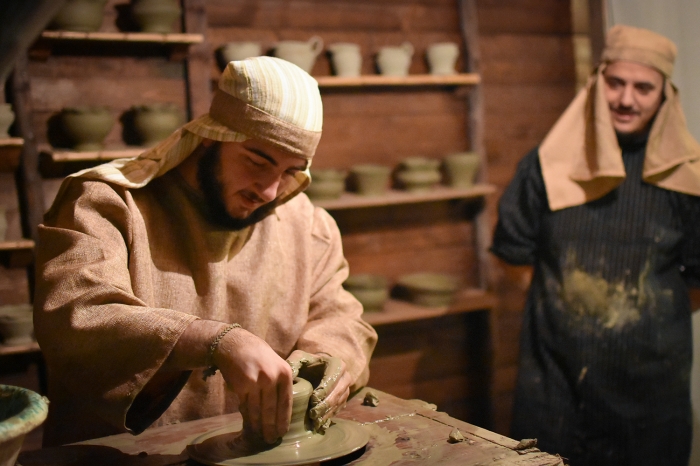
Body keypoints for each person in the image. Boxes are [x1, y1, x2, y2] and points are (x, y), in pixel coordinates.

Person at [33, 56, 378, 447]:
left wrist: (332, 356)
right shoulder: (107, 205)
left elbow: (342, 318)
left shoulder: (306, 226)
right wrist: (215, 341)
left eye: (290, 172)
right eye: (257, 160)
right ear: (212, 136)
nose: (268, 190)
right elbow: (76, 314)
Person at [491, 25, 700, 466]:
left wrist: (637, 321)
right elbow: (513, 256)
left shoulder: (687, 180)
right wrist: (570, 307)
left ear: (665, 94)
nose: (626, 99)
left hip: (651, 395)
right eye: (616, 83)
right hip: (554, 386)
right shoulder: (546, 166)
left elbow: (698, 283)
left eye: (643, 87)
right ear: (597, 81)